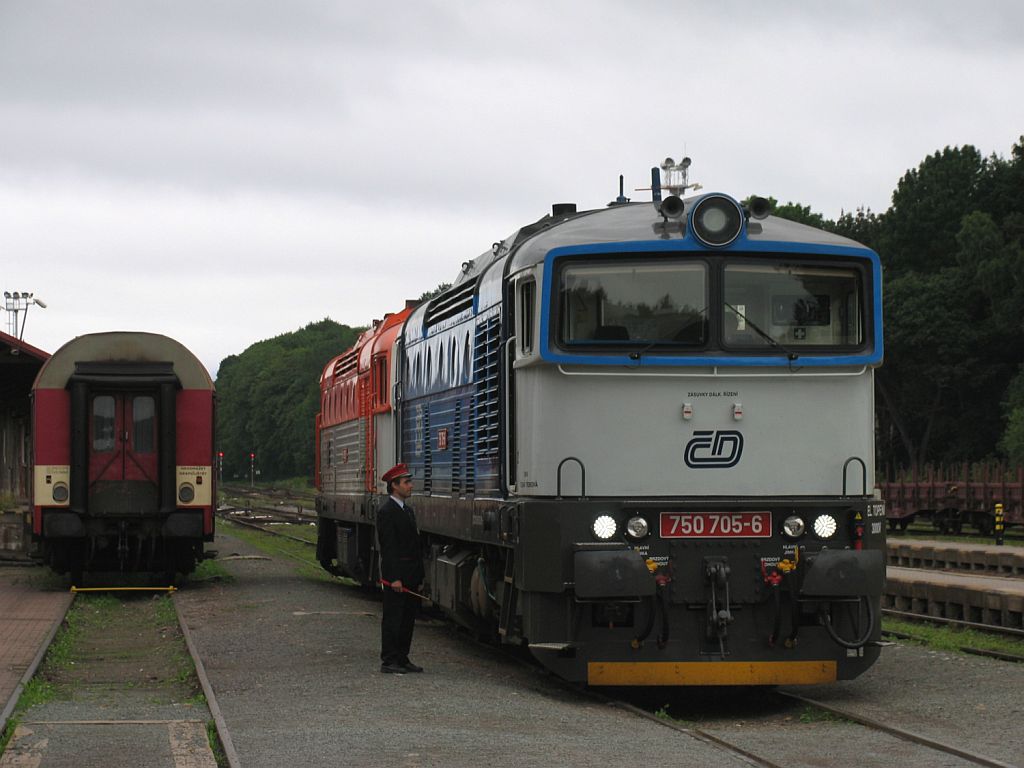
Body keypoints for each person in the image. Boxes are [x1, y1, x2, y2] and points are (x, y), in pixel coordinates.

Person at [376, 462, 426, 674]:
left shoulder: (407, 511)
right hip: (397, 575)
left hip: (411, 574)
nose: (411, 486)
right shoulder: (387, 511)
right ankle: (389, 660)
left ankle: (403, 657)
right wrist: (394, 577)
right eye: (407, 482)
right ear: (394, 486)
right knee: (394, 618)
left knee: (407, 618)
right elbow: (389, 547)